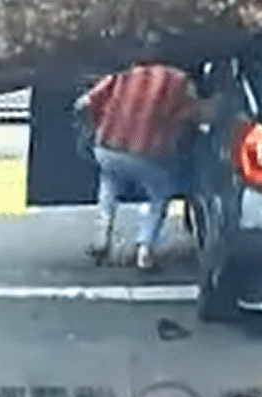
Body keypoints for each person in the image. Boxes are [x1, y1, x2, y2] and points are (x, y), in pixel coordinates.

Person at [75, 59, 202, 270]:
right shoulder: (180, 80)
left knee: (108, 182)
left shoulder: (122, 73)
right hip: (147, 153)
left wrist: (95, 124)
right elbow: (193, 115)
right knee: (160, 194)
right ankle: (145, 249)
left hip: (108, 146)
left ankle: (102, 238)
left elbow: (85, 102)